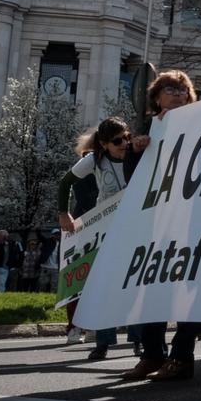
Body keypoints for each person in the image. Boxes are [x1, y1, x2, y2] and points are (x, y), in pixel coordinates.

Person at [125, 70, 201, 381]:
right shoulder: (148, 129)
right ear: (156, 97)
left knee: (186, 291)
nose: (177, 94)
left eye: (182, 89)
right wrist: (135, 151)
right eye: (170, 89)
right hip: (156, 223)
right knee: (152, 290)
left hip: (191, 220)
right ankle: (152, 354)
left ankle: (182, 354)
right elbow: (134, 180)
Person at [58, 115, 135, 360]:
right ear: (103, 144)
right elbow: (65, 183)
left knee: (135, 285)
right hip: (107, 230)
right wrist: (64, 213)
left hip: (135, 226)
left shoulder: (137, 155)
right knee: (105, 286)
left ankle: (140, 341)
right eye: (116, 141)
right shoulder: (94, 161)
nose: (123, 144)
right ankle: (103, 342)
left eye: (126, 138)